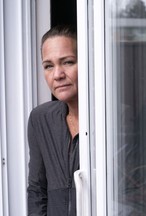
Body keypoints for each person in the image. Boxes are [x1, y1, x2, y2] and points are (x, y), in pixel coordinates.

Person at [27, 25, 79, 216]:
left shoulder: (110, 119)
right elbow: (36, 190)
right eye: (48, 66)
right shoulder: (40, 119)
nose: (57, 75)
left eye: (67, 62)